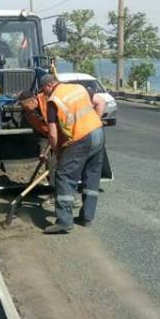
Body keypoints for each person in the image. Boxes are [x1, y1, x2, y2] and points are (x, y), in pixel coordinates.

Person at [39, 73, 106, 234]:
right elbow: (101, 102)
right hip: (98, 132)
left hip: (81, 139)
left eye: (43, 90)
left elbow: (53, 135)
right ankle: (87, 217)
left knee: (63, 176)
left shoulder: (53, 101)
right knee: (92, 176)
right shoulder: (78, 88)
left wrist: (57, 154)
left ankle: (64, 221)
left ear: (49, 85)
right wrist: (92, 123)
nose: (44, 94)